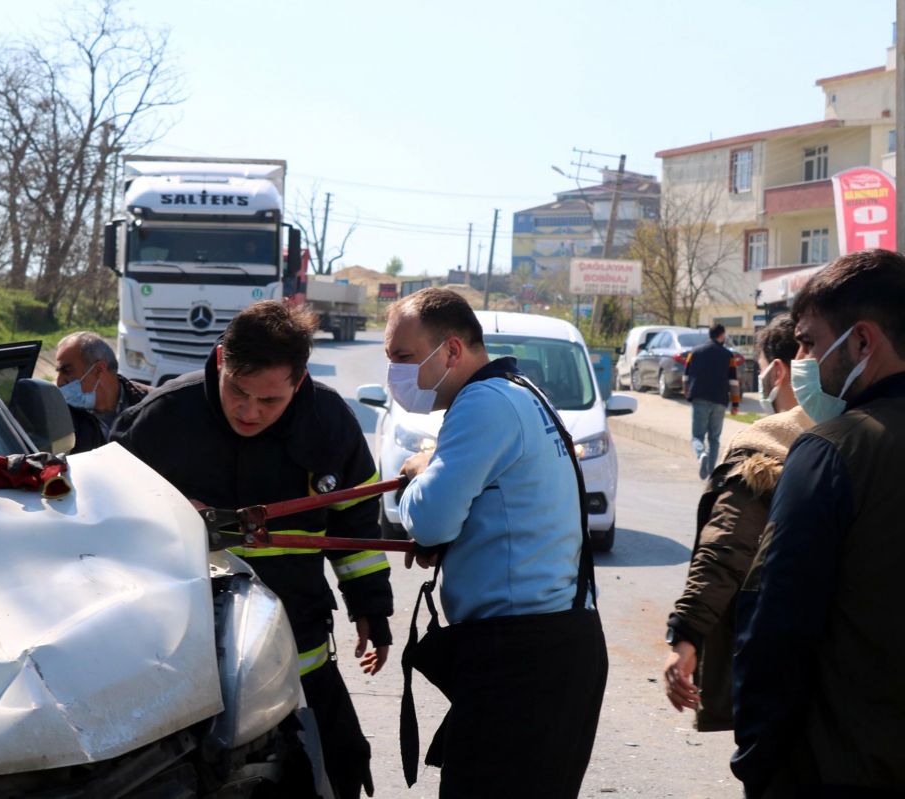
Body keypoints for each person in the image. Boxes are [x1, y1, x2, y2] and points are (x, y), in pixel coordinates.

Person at [110, 301, 392, 799]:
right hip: (182, 666)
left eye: (270, 401)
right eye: (238, 392)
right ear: (221, 359)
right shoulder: (158, 421)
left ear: (298, 382)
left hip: (298, 654)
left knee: (339, 766)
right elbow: (103, 528)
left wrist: (371, 605)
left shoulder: (330, 424)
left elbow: (358, 527)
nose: (249, 411)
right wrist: (166, 515)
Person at [389, 288, 606, 799]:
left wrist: (421, 471)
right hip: (549, 648)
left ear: (452, 351)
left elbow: (430, 521)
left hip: (524, 660)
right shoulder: (518, 391)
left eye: (403, 357)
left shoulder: (483, 403)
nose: (395, 373)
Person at [731, 249, 905, 797]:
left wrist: (756, 759)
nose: (799, 358)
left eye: (808, 342)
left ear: (860, 342)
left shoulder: (830, 451)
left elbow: (775, 621)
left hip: (838, 765)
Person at [662, 314, 811, 730]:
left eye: (762, 367)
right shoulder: (865, 426)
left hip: (782, 671)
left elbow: (728, 543)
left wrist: (686, 634)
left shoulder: (766, 444)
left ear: (778, 370)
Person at [53, 332, 146, 454]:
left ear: (99, 369)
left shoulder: (148, 403)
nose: (59, 382)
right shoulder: (60, 417)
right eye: (58, 373)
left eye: (66, 371)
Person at [684, 323, 743, 479]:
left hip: (699, 398)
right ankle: (711, 473)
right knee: (714, 438)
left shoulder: (695, 352)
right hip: (719, 400)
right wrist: (735, 403)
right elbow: (733, 382)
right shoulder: (728, 355)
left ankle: (701, 454)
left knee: (697, 436)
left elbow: (685, 376)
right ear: (721, 336)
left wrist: (687, 393)